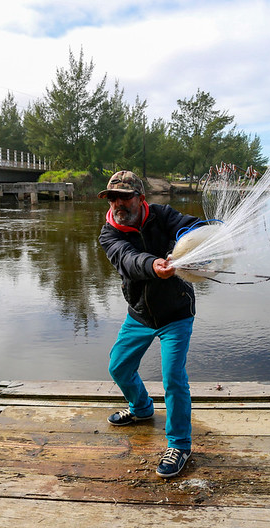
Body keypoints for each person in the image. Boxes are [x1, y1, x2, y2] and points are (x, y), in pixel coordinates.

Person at [98, 170, 200, 478]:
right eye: (113, 197)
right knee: (118, 367)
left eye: (125, 197)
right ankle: (142, 408)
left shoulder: (161, 214)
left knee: (173, 377)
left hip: (176, 313)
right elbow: (126, 259)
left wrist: (198, 236)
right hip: (140, 314)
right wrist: (153, 265)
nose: (118, 204)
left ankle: (180, 444)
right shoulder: (109, 233)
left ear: (141, 199)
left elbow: (190, 226)